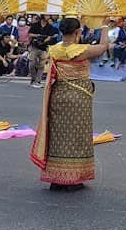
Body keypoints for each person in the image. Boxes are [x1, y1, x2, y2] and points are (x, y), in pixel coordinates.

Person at [29, 17, 110, 191]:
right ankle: (73, 177)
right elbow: (103, 46)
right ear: (78, 32)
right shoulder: (82, 50)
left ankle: (56, 177)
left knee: (57, 136)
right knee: (77, 136)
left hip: (58, 96)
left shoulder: (54, 49)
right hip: (78, 98)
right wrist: (104, 25)